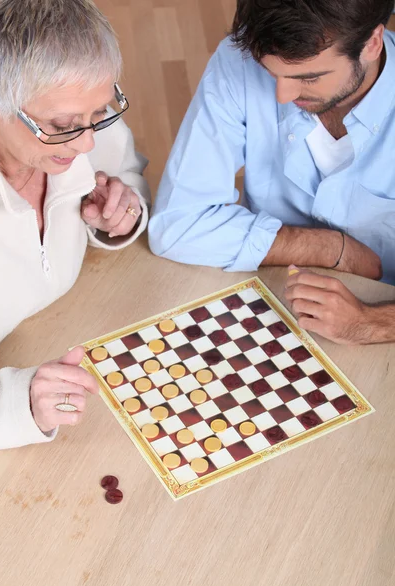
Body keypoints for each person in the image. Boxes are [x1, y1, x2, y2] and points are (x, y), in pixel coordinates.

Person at [149, 0, 395, 345]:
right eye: (270, 73)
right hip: (269, 306)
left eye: (308, 77)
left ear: (372, 43)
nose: (282, 94)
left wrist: (371, 323)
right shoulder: (240, 60)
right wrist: (332, 250)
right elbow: (178, 224)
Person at [0, 0, 150, 450]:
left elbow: (128, 171)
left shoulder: (83, 126)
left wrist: (120, 217)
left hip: (79, 321)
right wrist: (16, 405)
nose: (86, 142)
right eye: (63, 125)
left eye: (99, 113)